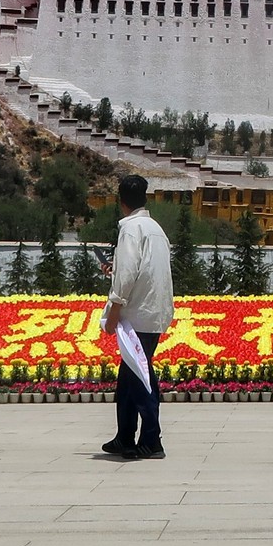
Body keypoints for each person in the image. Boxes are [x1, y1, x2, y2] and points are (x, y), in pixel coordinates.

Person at [100, 175, 173, 460]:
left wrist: (115, 307)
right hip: (153, 312)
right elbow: (144, 269)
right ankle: (125, 436)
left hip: (136, 315)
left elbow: (130, 272)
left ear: (121, 201)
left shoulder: (130, 229)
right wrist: (115, 269)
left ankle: (151, 439)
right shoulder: (155, 229)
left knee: (139, 376)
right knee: (129, 376)